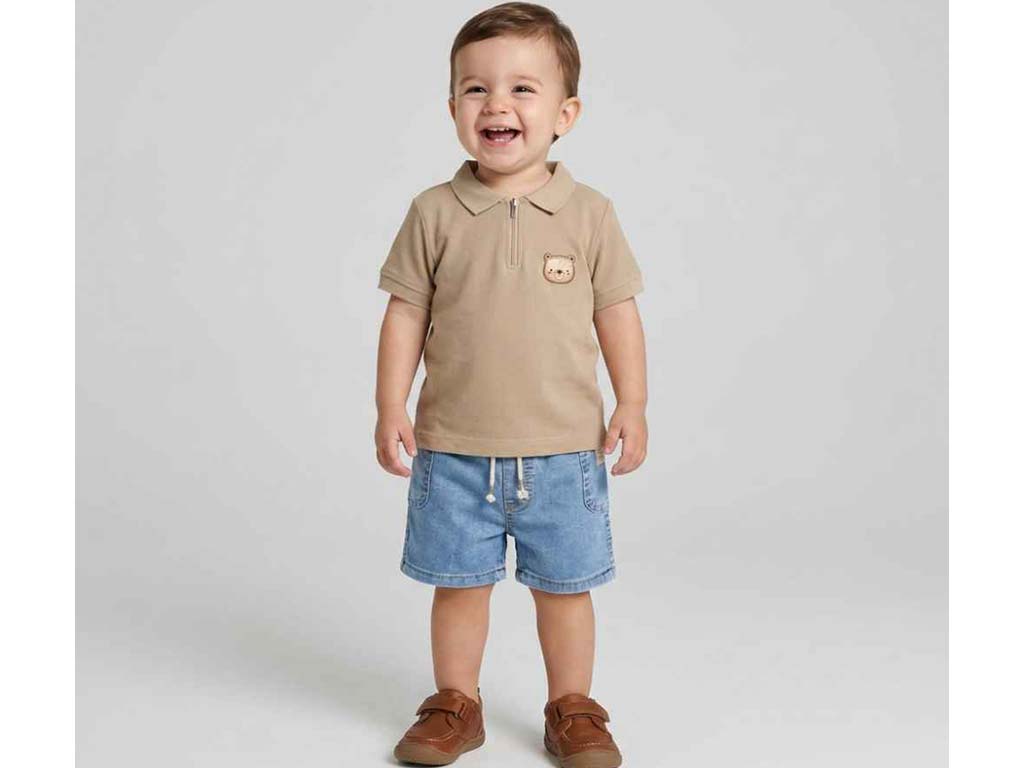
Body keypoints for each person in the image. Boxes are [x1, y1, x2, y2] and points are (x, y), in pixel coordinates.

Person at [373, 3, 648, 765]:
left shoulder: (590, 214)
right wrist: (390, 404)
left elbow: (617, 312)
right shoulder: (433, 212)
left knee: (565, 589)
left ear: (565, 114)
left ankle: (573, 708)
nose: (497, 104)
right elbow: (405, 313)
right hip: (455, 450)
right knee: (459, 586)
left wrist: (633, 402)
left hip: (564, 452)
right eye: (476, 89)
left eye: (523, 89)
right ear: (454, 109)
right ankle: (455, 703)